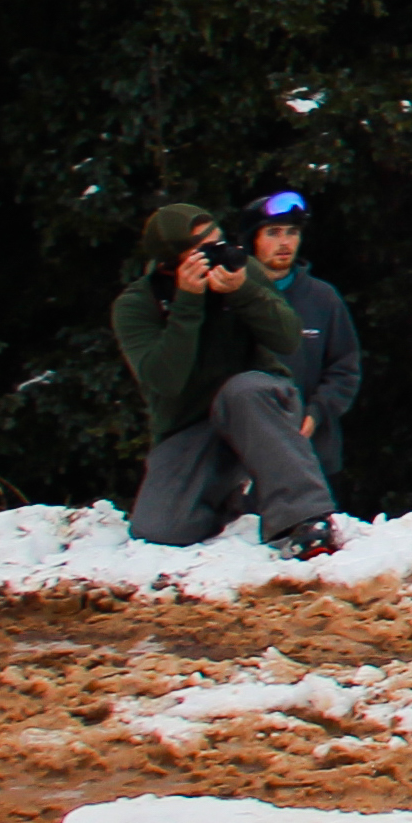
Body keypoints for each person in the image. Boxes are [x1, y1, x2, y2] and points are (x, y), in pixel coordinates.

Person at [112, 202, 343, 558]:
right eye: (202, 247)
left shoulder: (243, 271)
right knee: (159, 528)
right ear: (170, 260)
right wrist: (187, 303)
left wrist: (242, 292)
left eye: (219, 240)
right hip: (191, 424)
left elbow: (287, 338)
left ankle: (306, 517)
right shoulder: (136, 305)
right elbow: (164, 381)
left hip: (259, 405)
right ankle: (228, 499)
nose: (218, 252)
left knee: (241, 391)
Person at [243, 187, 364, 500]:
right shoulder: (230, 297)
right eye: (273, 233)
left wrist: (317, 413)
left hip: (313, 458)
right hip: (241, 463)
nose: (285, 243)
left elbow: (345, 368)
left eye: (292, 233)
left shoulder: (323, 299)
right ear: (252, 239)